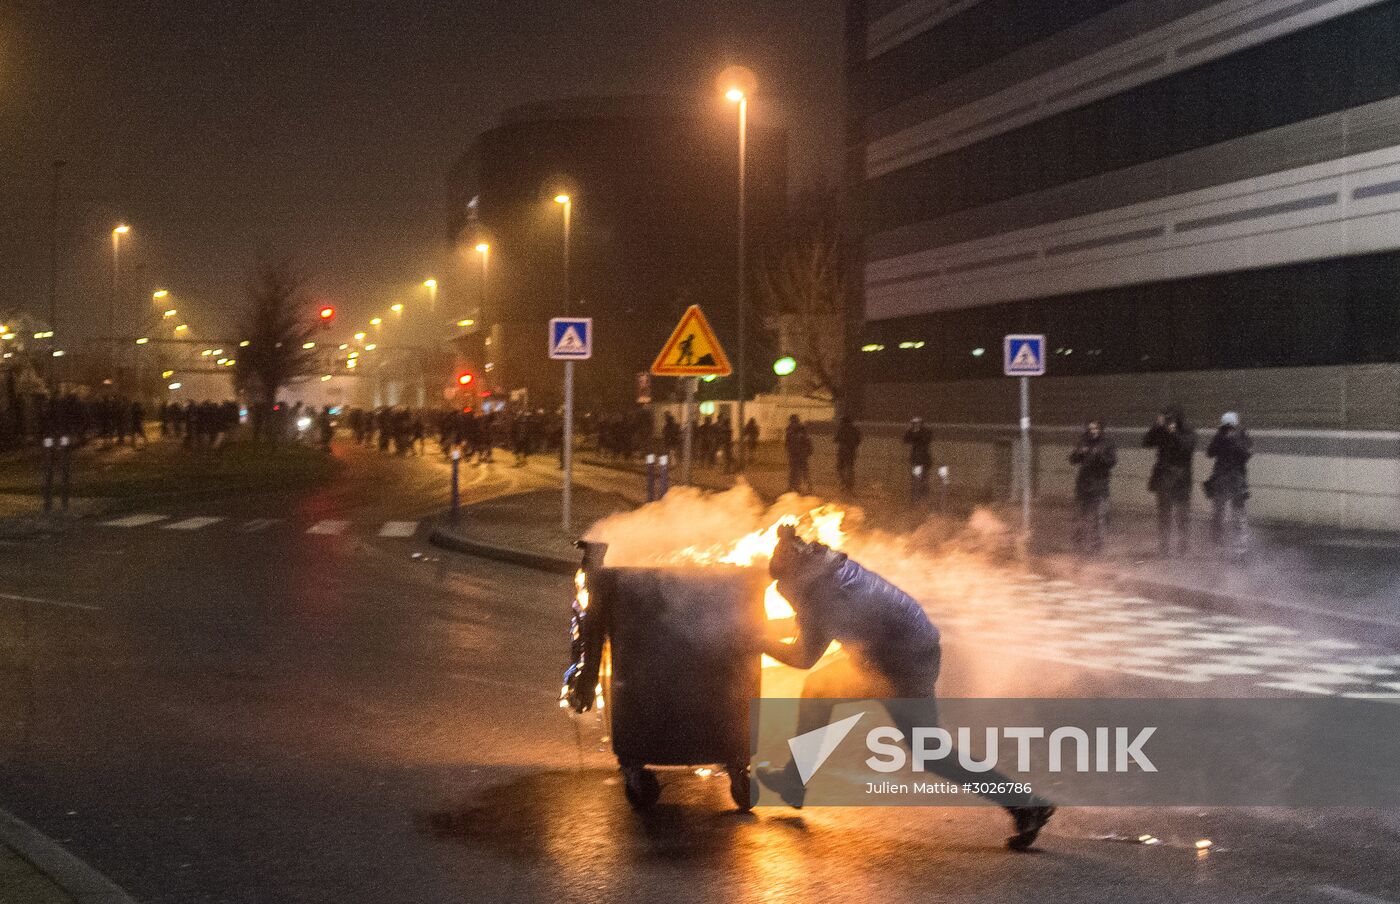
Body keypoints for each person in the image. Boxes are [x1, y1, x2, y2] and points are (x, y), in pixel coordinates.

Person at [755, 526, 1056, 850]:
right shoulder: (832, 571)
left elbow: (803, 656)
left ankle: (1027, 805)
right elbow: (812, 626)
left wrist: (756, 641)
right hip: (901, 651)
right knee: (819, 691)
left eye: (782, 584)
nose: (782, 591)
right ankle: (794, 782)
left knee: (930, 751)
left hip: (899, 666)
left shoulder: (822, 598)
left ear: (796, 580)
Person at [1143, 406, 1197, 557]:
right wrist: (1156, 426)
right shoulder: (1161, 431)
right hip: (1164, 479)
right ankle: (1164, 548)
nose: (1169, 423)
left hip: (1182, 480)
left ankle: (1183, 548)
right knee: (1164, 515)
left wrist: (1174, 434)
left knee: (1182, 516)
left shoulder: (1187, 431)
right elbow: (1146, 442)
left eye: (1171, 419)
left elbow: (1188, 447)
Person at [1206, 412, 1252, 561]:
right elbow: (1210, 452)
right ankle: (1218, 547)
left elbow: (1246, 455)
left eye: (1230, 425)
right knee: (1218, 515)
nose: (1228, 429)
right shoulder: (1219, 436)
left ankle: (1240, 550)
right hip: (1221, 479)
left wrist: (1234, 441)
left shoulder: (1242, 436)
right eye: (1226, 426)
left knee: (1238, 515)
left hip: (1236, 479)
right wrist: (1220, 438)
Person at [1069, 420, 1117, 555]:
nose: (1093, 431)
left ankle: (1097, 547)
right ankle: (1079, 544)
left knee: (1098, 517)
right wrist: (1079, 452)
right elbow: (1072, 460)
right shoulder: (1083, 442)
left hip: (1099, 485)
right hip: (1084, 485)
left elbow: (1112, 462)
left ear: (1100, 429)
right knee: (1080, 516)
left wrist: (1100, 455)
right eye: (1090, 429)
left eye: (1095, 428)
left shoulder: (1107, 443)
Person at [903, 417, 933, 502]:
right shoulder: (913, 432)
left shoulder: (926, 432)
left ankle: (923, 499)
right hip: (917, 462)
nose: (916, 424)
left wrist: (914, 432)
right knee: (916, 481)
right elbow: (906, 440)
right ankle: (915, 499)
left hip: (924, 461)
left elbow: (924, 440)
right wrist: (909, 430)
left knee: (924, 481)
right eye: (914, 423)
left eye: (917, 423)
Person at [784, 415, 813, 494]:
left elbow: (787, 443)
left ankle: (797, 487)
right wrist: (809, 451)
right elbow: (788, 443)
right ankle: (799, 487)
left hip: (797, 454)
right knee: (800, 471)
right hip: (798, 454)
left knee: (796, 471)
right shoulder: (796, 429)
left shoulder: (793, 429)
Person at [834, 415, 862, 493]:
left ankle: (844, 484)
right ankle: (850, 487)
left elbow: (836, 439)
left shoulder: (842, 429)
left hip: (842, 452)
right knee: (850, 469)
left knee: (840, 469)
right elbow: (858, 441)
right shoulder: (855, 429)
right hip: (852, 452)